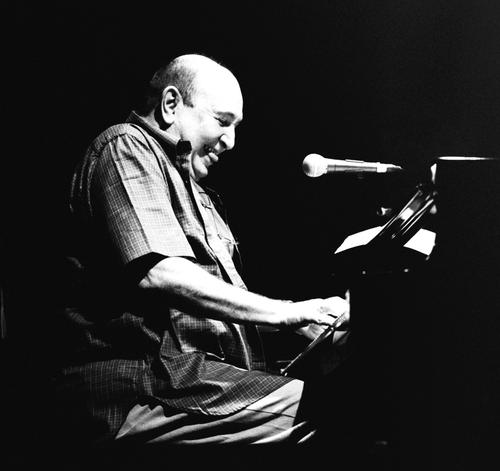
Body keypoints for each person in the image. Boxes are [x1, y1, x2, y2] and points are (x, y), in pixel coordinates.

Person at [50, 53, 351, 453]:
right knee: (336, 409)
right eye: (223, 121)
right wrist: (287, 312)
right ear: (170, 104)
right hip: (139, 388)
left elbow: (204, 318)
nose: (231, 141)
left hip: (192, 382)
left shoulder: (198, 192)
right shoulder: (126, 145)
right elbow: (158, 273)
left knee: (349, 394)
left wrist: (306, 325)